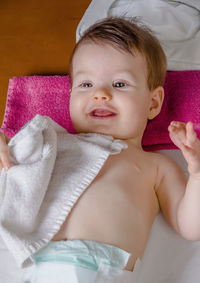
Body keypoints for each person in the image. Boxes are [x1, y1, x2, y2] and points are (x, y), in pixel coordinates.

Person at [1, 17, 200, 281]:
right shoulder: (50, 144)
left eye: (119, 84)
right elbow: (14, 182)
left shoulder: (155, 166)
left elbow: (189, 226)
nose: (100, 94)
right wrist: (7, 146)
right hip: (36, 266)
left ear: (153, 103)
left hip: (104, 272)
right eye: (86, 84)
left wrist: (196, 174)